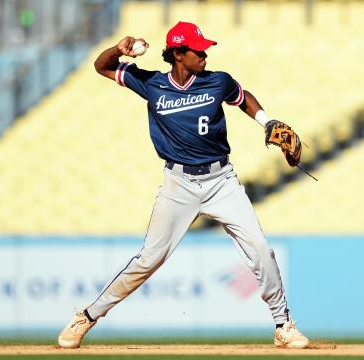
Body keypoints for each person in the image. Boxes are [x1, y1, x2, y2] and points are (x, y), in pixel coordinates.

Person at [57, 21, 309, 349]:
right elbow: (101, 66)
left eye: (204, 48)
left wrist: (267, 120)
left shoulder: (218, 81)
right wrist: (119, 50)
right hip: (179, 183)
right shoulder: (150, 83)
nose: (204, 54)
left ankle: (283, 325)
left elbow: (242, 96)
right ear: (178, 53)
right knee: (150, 258)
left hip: (221, 181)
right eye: (197, 49)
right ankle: (88, 316)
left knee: (260, 248)